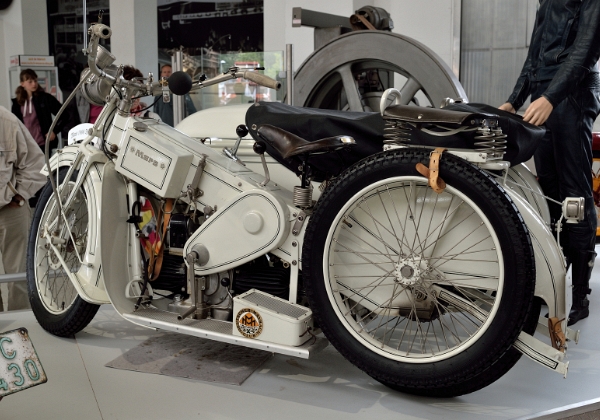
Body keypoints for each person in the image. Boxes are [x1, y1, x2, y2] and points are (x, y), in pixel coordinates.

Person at [499, 0, 600, 326]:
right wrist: (515, 99)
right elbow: (536, 51)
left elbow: (586, 48)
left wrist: (551, 97)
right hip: (543, 94)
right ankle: (553, 279)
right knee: (549, 194)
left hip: (572, 93)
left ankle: (580, 291)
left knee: (575, 193)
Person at [0, 106, 46, 311]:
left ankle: (20, 322)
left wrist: (18, 195)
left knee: (18, 276)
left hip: (11, 211)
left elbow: (36, 163)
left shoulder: (7, 121)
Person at [11, 68, 66, 153]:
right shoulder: (17, 103)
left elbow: (64, 115)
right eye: (30, 82)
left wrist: (54, 131)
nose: (34, 84)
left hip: (43, 143)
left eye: (35, 81)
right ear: (22, 84)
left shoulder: (45, 98)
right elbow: (14, 124)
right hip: (25, 145)